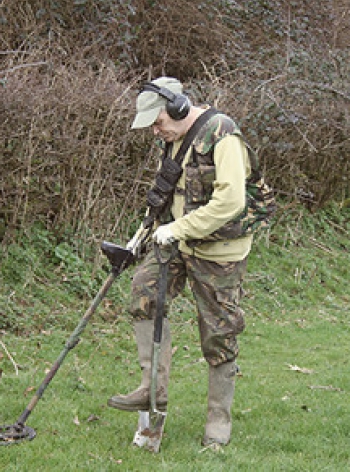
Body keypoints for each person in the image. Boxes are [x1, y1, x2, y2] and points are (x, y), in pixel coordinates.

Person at [107, 76, 254, 448]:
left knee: (219, 333)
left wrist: (177, 229)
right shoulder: (172, 141)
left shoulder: (223, 135)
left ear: (178, 107)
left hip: (219, 252)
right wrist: (140, 237)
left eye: (158, 122)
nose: (156, 132)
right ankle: (152, 389)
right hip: (177, 242)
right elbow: (166, 193)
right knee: (144, 292)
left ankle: (218, 422)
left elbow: (231, 201)